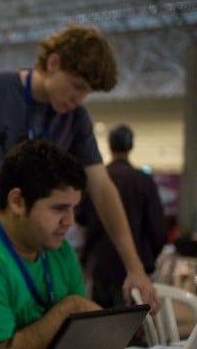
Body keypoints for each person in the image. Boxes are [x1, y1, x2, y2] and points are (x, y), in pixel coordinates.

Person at [0, 24, 159, 309]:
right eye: (76, 86)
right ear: (53, 63)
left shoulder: (74, 117)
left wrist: (134, 268)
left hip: (20, 245)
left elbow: (102, 187)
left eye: (86, 93)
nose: (79, 100)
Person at [0, 139, 101, 349]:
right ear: (17, 201)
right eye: (59, 208)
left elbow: (80, 333)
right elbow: (2, 348)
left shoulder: (60, 249)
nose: (70, 221)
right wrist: (69, 309)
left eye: (73, 208)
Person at [79, 124, 167, 308]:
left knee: (100, 322)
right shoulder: (143, 180)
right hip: (136, 265)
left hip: (101, 264)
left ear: (110, 146)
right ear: (131, 146)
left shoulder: (97, 180)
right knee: (132, 327)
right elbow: (157, 228)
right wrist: (148, 258)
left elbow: (81, 217)